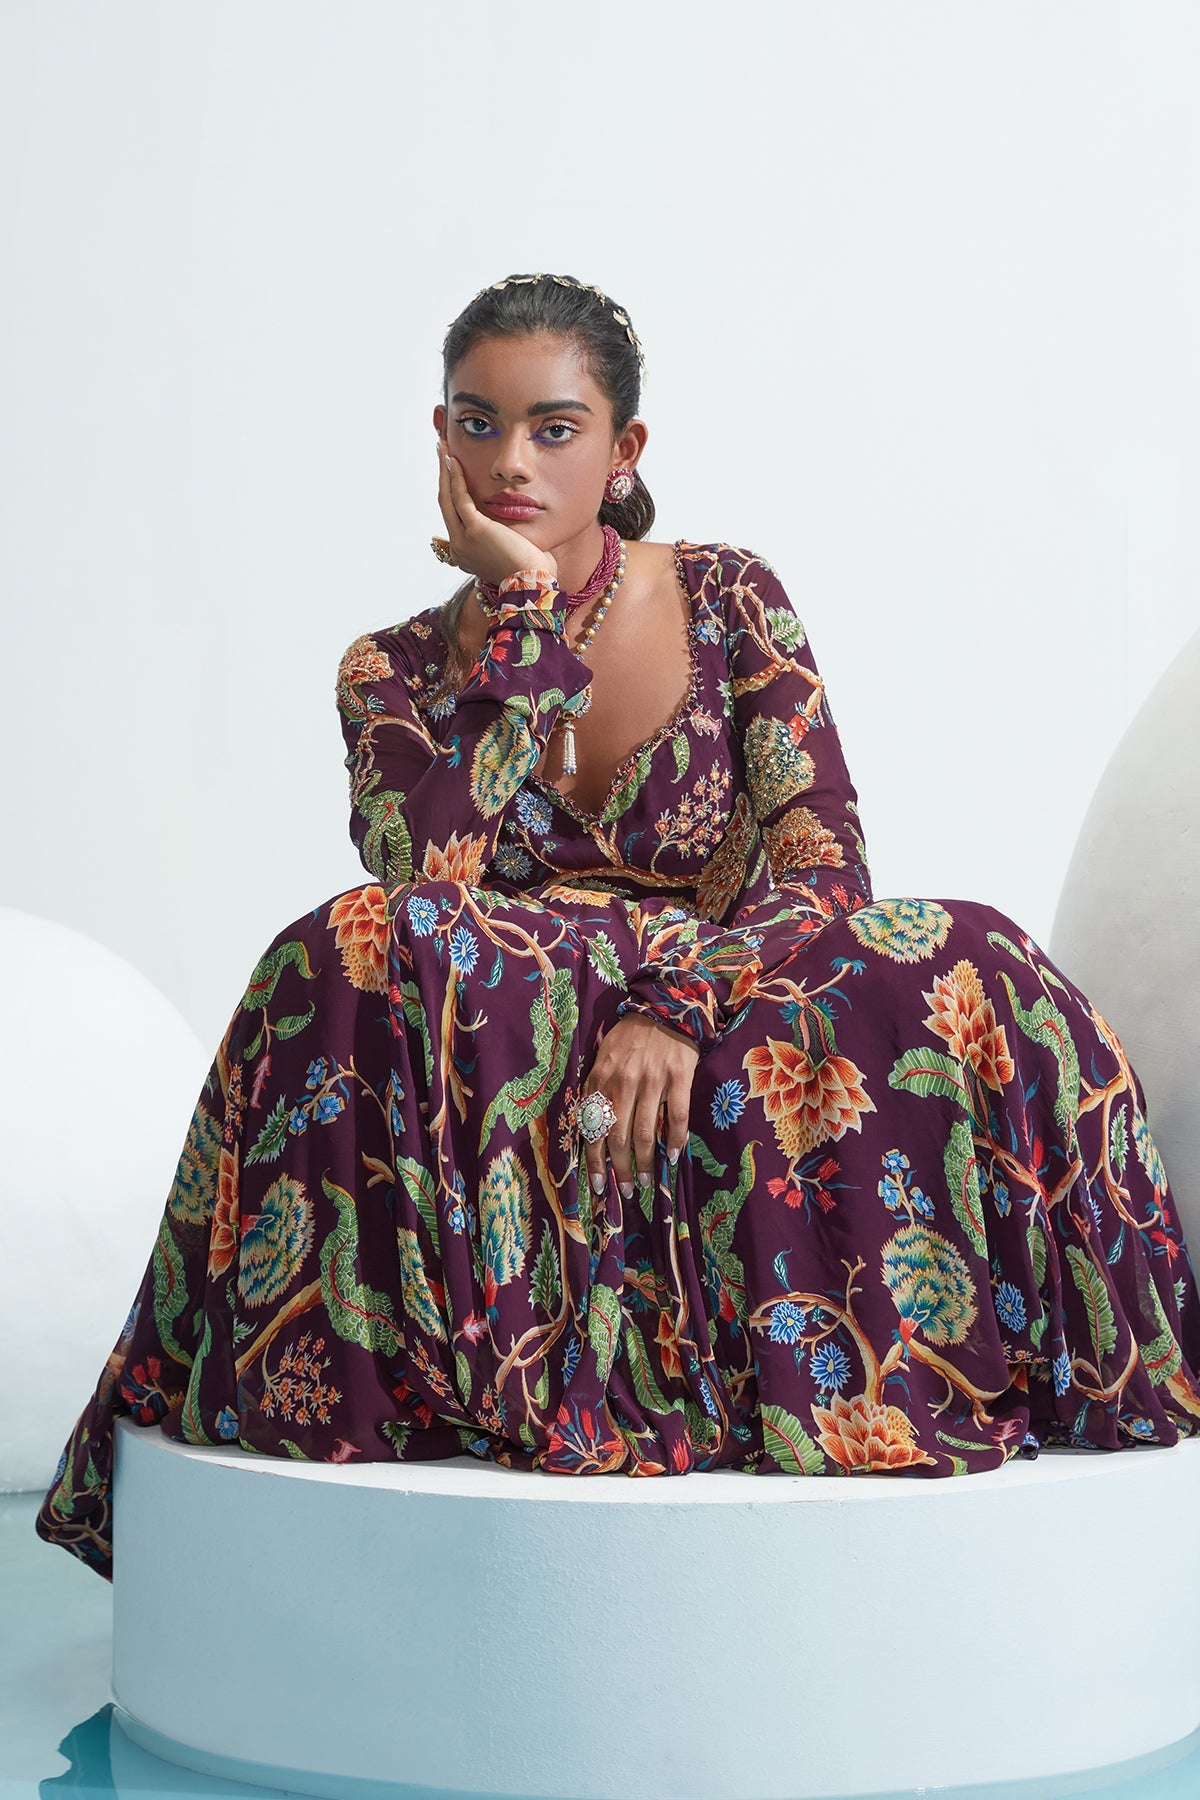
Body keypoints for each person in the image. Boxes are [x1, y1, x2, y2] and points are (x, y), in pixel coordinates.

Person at [36, 271, 1200, 1581]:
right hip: (507, 1034)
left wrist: (677, 1004)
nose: (510, 461)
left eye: (554, 428)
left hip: (728, 991)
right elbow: (430, 884)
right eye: (477, 424)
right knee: (346, 940)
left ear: (623, 447)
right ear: (439, 437)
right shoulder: (390, 669)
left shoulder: (728, 597)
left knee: (961, 943)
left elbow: (826, 864)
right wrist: (523, 620)